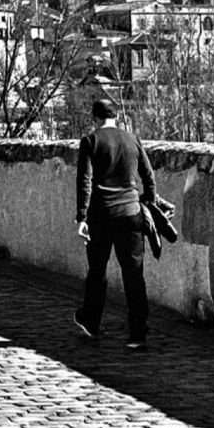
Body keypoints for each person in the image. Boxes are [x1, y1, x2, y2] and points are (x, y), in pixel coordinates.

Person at [74, 98, 156, 351]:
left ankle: (91, 320)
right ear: (116, 116)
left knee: (97, 271)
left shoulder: (91, 141)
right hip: (131, 212)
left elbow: (84, 181)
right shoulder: (132, 139)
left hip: (101, 215)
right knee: (134, 274)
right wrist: (149, 200)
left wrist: (82, 216)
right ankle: (137, 333)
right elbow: (148, 175)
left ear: (95, 118)